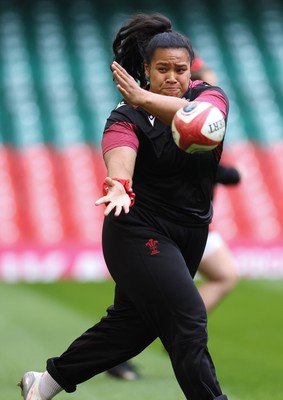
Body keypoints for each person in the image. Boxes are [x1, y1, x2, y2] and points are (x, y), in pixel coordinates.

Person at [18, 13, 229, 400]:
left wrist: (144, 96)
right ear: (145, 69)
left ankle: (43, 383)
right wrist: (120, 183)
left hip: (191, 232)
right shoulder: (126, 117)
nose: (172, 77)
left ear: (191, 71)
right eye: (161, 69)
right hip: (137, 230)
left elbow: (206, 121)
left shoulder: (208, 98)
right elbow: (121, 155)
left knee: (132, 328)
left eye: (180, 69)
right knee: (188, 318)